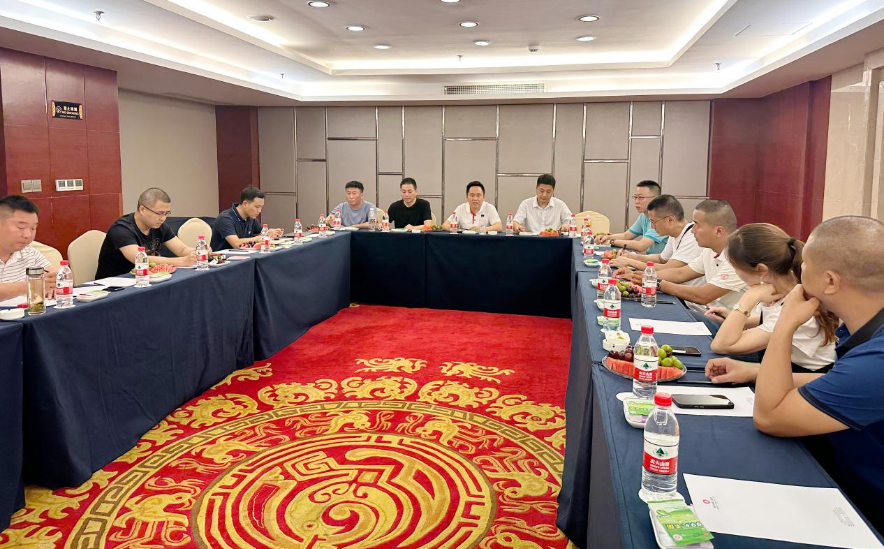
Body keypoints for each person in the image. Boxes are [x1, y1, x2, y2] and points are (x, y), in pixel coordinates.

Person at [748, 216, 884, 532]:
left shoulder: (877, 359)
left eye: (806, 264)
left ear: (830, 282)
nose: (799, 272)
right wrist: (752, 371)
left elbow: (769, 416)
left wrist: (785, 323)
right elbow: (840, 382)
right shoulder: (866, 332)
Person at [704, 224, 838, 382]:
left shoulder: (792, 305)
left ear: (761, 270)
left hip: (805, 382)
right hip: (786, 368)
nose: (736, 272)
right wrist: (744, 320)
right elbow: (770, 321)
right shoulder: (787, 287)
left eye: (736, 268)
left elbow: (721, 345)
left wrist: (749, 297)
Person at [641, 199, 747, 334]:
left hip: (731, 327)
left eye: (697, 225)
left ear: (719, 231)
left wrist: (657, 283)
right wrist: (643, 276)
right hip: (709, 314)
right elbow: (680, 274)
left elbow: (703, 295)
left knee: (666, 315)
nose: (693, 231)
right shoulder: (709, 251)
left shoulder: (738, 257)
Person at [95, 188, 197, 279]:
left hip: (146, 279)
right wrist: (182, 261)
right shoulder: (121, 229)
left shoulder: (159, 226)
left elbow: (182, 249)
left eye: (166, 213)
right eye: (159, 213)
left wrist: (197, 253)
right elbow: (139, 259)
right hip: (115, 285)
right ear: (142, 210)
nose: (163, 218)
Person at [611, 194, 702, 277]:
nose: (652, 227)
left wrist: (630, 262)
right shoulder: (674, 234)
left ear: (670, 220)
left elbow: (668, 268)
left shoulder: (692, 238)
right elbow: (661, 259)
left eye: (653, 222)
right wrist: (633, 256)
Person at [0, 195, 55, 300]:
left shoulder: (28, 251)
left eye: (33, 228)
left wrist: (54, 285)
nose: (28, 235)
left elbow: (54, 277)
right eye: (20, 227)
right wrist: (32, 285)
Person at [595, 180, 668, 254]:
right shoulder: (643, 216)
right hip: (649, 258)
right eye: (635, 197)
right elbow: (626, 235)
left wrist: (612, 241)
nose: (636, 201)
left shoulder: (661, 219)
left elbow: (641, 246)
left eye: (641, 197)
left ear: (655, 199)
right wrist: (606, 237)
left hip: (660, 261)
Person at [211, 186, 283, 251]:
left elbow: (261, 233)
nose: (259, 211)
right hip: (223, 259)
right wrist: (262, 237)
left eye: (261, 207)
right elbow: (236, 244)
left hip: (245, 256)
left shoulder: (251, 218)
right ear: (245, 204)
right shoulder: (225, 218)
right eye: (257, 207)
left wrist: (271, 234)